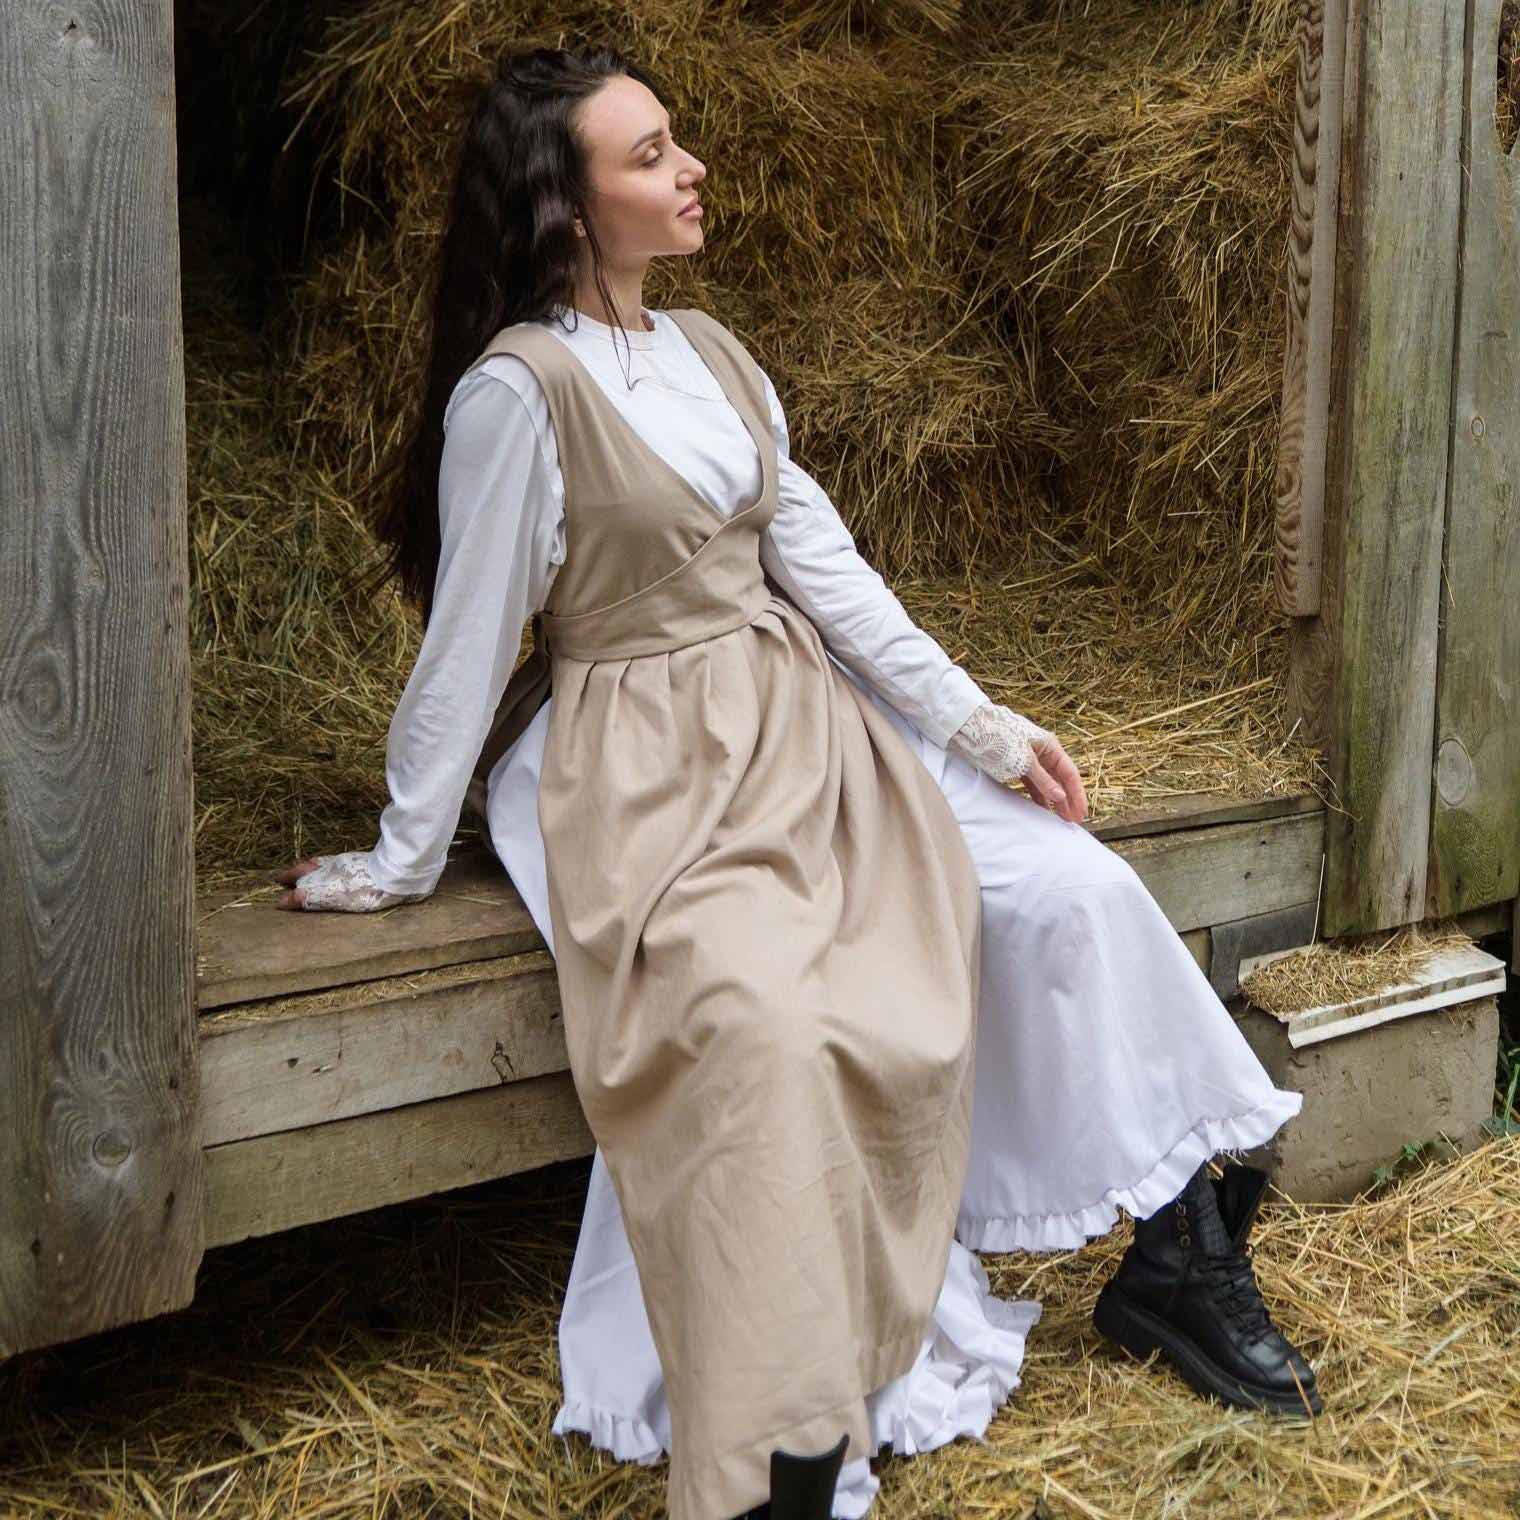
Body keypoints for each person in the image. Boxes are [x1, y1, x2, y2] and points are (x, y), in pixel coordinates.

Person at [275, 45, 1321, 1520]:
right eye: (647, 154)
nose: (690, 166)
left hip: (802, 720)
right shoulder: (516, 397)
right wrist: (398, 854)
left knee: (1067, 878)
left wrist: (980, 728)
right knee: (760, 1017)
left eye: (675, 140)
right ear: (563, 209)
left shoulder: (714, 352)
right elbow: (464, 650)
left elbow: (828, 572)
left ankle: (1177, 1252)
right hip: (637, 758)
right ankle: (782, 1439)